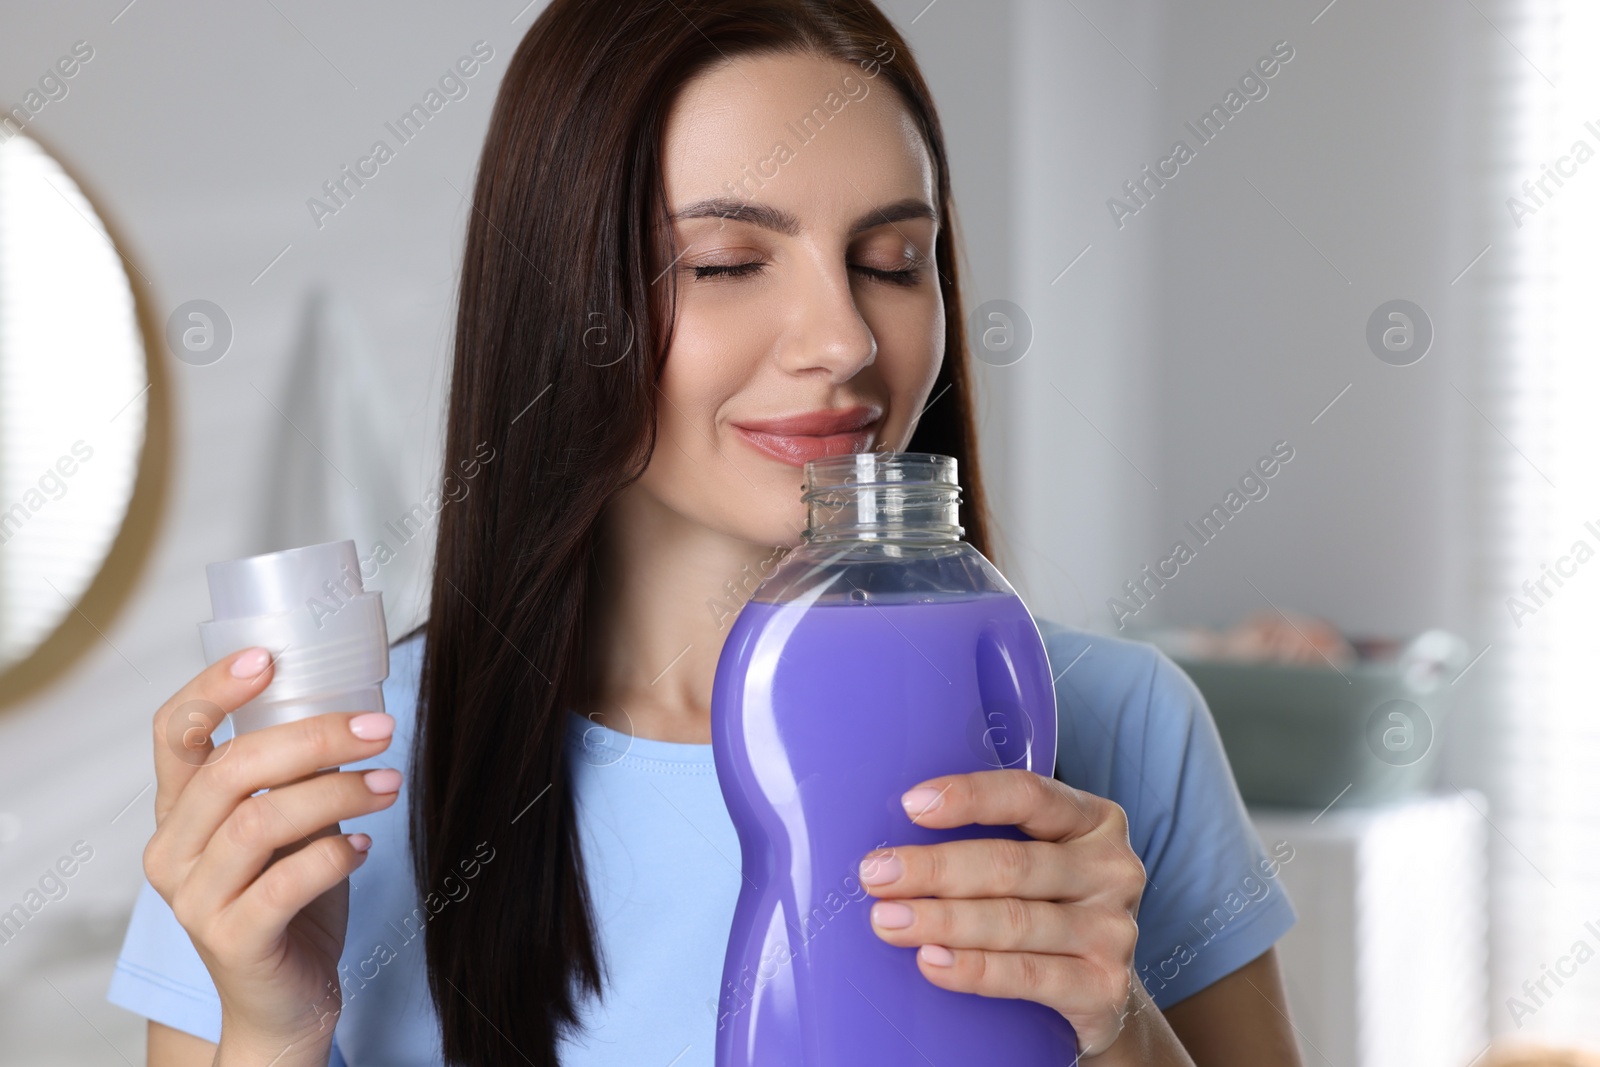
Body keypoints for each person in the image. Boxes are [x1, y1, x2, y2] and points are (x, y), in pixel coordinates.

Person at [108, 1, 1303, 1064]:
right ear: (559, 304)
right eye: (728, 263)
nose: (842, 339)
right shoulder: (319, 791)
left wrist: (1114, 1031)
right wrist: (271, 1029)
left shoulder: (1120, 726)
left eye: (892, 260)